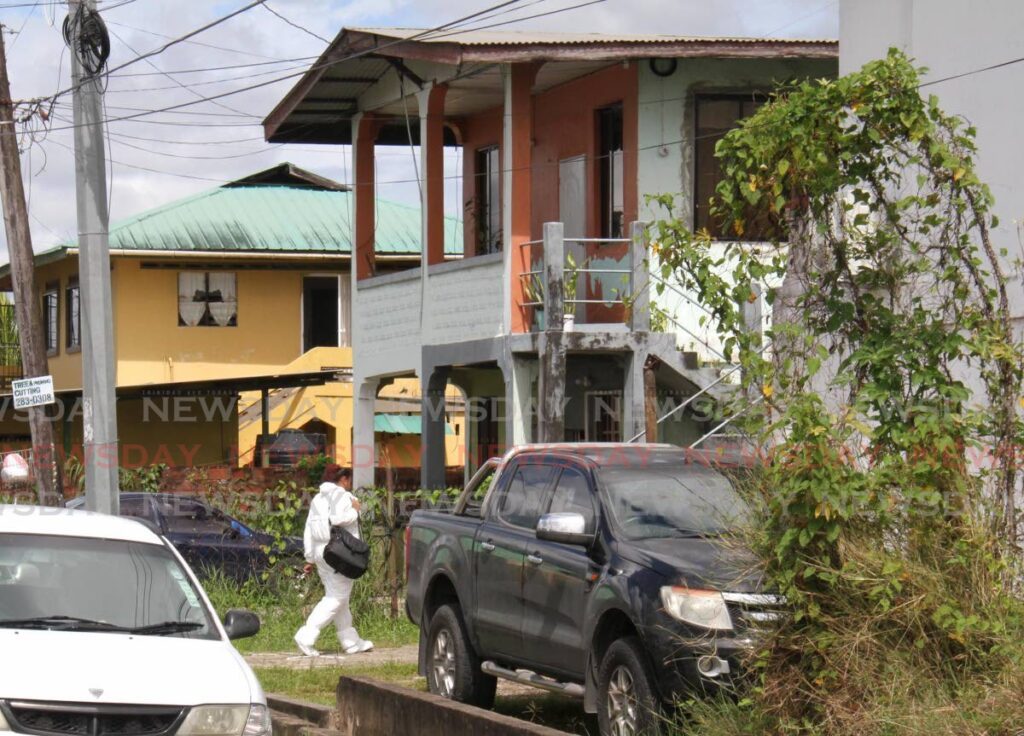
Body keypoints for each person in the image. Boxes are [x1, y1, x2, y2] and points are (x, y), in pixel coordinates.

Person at [294, 464, 374, 657]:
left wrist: (310, 557)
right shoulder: (344, 496)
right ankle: (306, 636)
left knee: (341, 598)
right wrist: (356, 510)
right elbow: (338, 519)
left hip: (323, 553)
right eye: (349, 480)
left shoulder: (318, 499)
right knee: (336, 598)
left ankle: (350, 641)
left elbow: (308, 530)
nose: (350, 484)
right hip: (340, 555)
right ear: (344, 479)